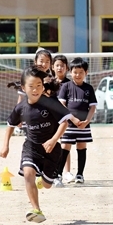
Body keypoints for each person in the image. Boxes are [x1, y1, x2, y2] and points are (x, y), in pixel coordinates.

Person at [0, 66, 81, 223]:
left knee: (47, 185)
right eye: (31, 86)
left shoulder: (49, 103)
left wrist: (54, 139)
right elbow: (10, 125)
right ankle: (36, 210)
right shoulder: (20, 108)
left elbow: (65, 122)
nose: (35, 89)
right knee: (28, 173)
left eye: (38, 85)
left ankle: (43, 180)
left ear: (43, 86)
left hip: (52, 149)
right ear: (23, 88)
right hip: (31, 146)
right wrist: (5, 146)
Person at [57, 57, 98, 185]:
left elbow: (92, 107)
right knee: (65, 147)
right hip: (68, 124)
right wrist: (72, 118)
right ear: (70, 72)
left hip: (83, 125)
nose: (78, 75)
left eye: (81, 72)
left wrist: (86, 121)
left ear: (86, 72)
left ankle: (80, 174)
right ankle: (58, 175)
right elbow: (61, 105)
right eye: (75, 72)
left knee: (81, 146)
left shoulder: (89, 88)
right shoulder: (66, 87)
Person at [51, 54, 74, 183]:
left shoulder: (70, 84)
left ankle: (67, 172)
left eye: (62, 66)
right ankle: (49, 171)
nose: (60, 68)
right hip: (51, 119)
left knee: (65, 145)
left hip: (65, 119)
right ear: (53, 67)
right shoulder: (48, 83)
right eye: (57, 65)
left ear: (67, 68)